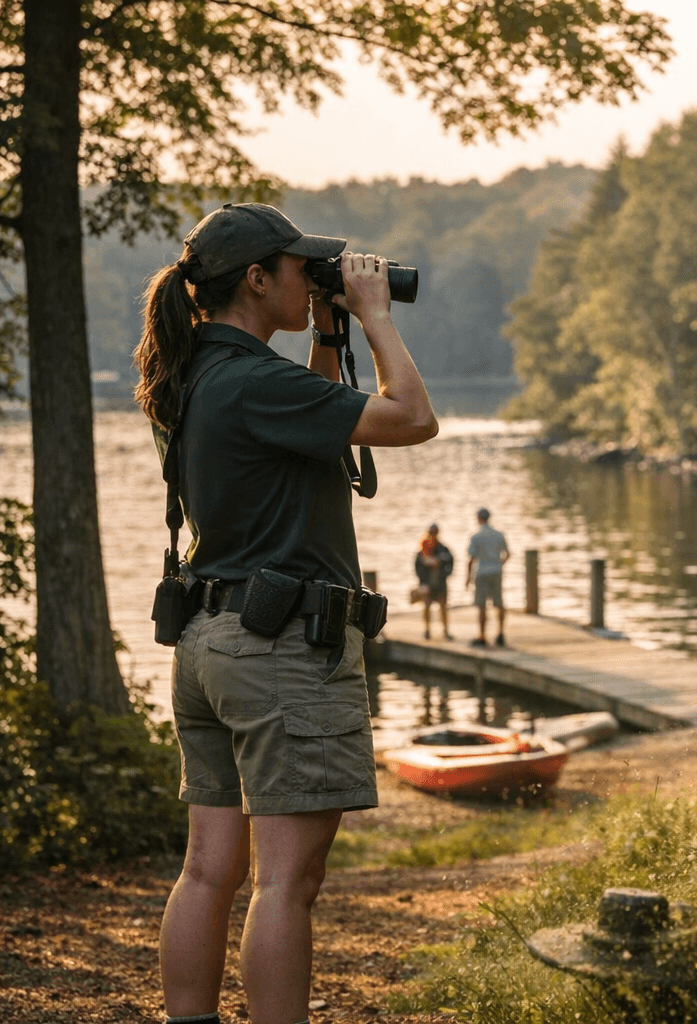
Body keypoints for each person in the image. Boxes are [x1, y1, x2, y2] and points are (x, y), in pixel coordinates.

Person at [133, 202, 437, 1024]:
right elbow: (412, 417)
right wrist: (375, 318)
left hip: (208, 643)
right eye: (301, 269)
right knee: (287, 885)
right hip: (279, 653)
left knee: (207, 871)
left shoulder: (193, 378)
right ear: (257, 280)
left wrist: (329, 335)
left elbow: (302, 416)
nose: (315, 280)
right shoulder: (255, 383)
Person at [466, 507, 510, 646]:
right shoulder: (499, 535)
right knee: (499, 603)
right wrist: (500, 564)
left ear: (479, 519)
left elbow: (472, 559)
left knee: (482, 605)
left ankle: (482, 635)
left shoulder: (476, 537)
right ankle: (501, 633)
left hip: (482, 572)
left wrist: (468, 577)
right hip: (496, 571)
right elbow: (508, 554)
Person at [414, 523, 455, 640]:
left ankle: (446, 631)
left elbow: (451, 561)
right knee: (426, 606)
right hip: (427, 585)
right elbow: (417, 568)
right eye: (432, 533)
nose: (433, 535)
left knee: (443, 607)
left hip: (440, 584)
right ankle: (427, 630)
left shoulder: (443, 548)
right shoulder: (422, 550)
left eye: (435, 533)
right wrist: (422, 582)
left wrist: (446, 574)